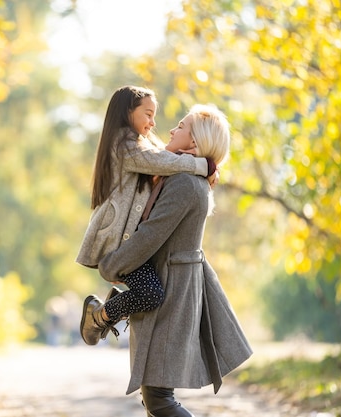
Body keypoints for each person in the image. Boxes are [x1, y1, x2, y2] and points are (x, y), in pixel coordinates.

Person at [98, 104, 252, 417]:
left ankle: (101, 316)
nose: (170, 130)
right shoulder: (182, 176)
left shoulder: (184, 183)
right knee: (154, 397)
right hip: (169, 286)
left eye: (180, 126)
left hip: (172, 293)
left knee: (159, 398)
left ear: (194, 143)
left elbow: (149, 236)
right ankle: (102, 316)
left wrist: (110, 264)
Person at [76, 86, 217, 345]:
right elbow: (163, 162)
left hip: (132, 241)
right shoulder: (123, 145)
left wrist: (189, 156)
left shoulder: (144, 143)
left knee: (149, 293)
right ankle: (98, 315)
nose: (153, 123)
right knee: (151, 294)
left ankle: (108, 308)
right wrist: (202, 164)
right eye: (148, 114)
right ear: (128, 112)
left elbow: (165, 157)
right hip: (119, 242)